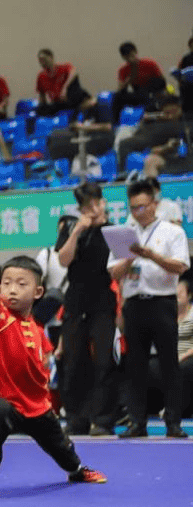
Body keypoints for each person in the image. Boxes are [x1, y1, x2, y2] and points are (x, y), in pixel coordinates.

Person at [0, 209, 108, 499]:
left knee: (63, 448)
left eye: (21, 284)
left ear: (38, 291)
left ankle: (76, 470)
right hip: (6, 404)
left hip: (37, 407)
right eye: (7, 283)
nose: (11, 290)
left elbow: (41, 363)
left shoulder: (36, 328)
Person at [108, 180, 191, 439]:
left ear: (154, 204)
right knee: (135, 365)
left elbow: (180, 266)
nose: (137, 212)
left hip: (162, 302)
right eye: (133, 208)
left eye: (142, 207)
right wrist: (130, 257)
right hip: (134, 303)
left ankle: (173, 423)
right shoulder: (124, 234)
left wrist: (151, 255)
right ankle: (137, 422)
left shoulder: (172, 232)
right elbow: (114, 272)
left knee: (169, 364)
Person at [54, 181, 117, 437]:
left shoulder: (114, 231)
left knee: (104, 361)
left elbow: (121, 268)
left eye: (94, 203)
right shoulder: (71, 228)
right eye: (84, 206)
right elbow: (63, 259)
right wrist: (78, 230)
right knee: (74, 361)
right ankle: (76, 419)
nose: (90, 209)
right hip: (75, 301)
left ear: (102, 203)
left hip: (103, 300)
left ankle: (103, 420)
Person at [155, 275, 193, 419]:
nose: (176, 296)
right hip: (169, 356)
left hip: (189, 357)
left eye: (179, 293)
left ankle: (176, 410)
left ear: (189, 295)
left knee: (182, 368)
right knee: (149, 367)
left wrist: (182, 357)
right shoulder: (167, 313)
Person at [113, 41, 167, 124]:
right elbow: (120, 88)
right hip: (138, 92)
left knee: (147, 92)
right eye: (127, 57)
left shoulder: (149, 63)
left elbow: (161, 81)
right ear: (123, 57)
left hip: (151, 90)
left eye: (132, 55)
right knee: (117, 97)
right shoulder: (123, 70)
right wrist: (129, 79)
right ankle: (116, 122)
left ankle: (151, 118)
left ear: (136, 52)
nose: (131, 59)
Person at [34, 48, 92, 118]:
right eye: (40, 61)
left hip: (71, 98)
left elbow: (74, 73)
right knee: (41, 110)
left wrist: (64, 88)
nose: (43, 63)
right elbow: (42, 96)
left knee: (75, 86)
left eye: (44, 60)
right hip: (58, 103)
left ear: (51, 58)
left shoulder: (63, 68)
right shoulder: (41, 76)